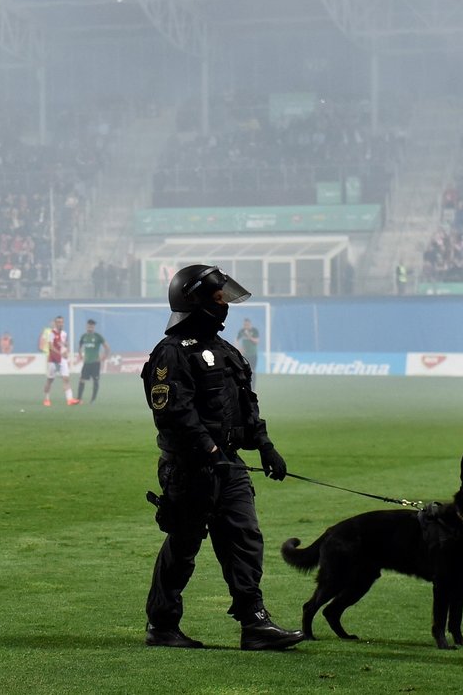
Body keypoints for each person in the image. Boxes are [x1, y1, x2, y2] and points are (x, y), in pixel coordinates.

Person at [141, 264, 302, 650]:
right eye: (217, 300)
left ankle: (255, 623)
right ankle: (162, 626)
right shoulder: (171, 354)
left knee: (244, 539)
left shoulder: (225, 350)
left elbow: (247, 403)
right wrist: (210, 451)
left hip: (228, 466)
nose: (224, 307)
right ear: (193, 301)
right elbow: (173, 413)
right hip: (189, 469)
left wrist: (263, 444)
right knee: (183, 546)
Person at [43, 315, 78, 406]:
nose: (60, 324)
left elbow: (65, 344)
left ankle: (70, 399)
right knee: (50, 380)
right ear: (55, 323)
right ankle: (46, 399)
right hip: (53, 359)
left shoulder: (64, 333)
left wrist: (67, 350)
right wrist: (60, 352)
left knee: (66, 378)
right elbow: (51, 346)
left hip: (62, 359)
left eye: (61, 322)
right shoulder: (52, 333)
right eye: (58, 322)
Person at [76, 319, 109, 404]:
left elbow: (107, 348)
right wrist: (80, 355)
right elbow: (79, 347)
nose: (90, 327)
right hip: (86, 363)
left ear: (94, 327)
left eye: (92, 326)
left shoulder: (98, 336)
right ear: (87, 326)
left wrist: (103, 358)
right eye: (89, 325)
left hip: (95, 363)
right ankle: (79, 399)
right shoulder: (84, 336)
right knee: (82, 380)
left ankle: (93, 400)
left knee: (95, 380)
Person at [235, 318, 260, 389]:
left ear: (250, 324)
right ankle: (246, 386)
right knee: (244, 371)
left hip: (253, 354)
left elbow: (257, 341)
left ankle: (253, 388)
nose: (245, 326)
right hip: (245, 355)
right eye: (244, 324)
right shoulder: (242, 331)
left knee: (253, 371)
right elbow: (236, 340)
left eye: (247, 324)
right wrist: (238, 348)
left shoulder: (254, 331)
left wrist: (249, 337)